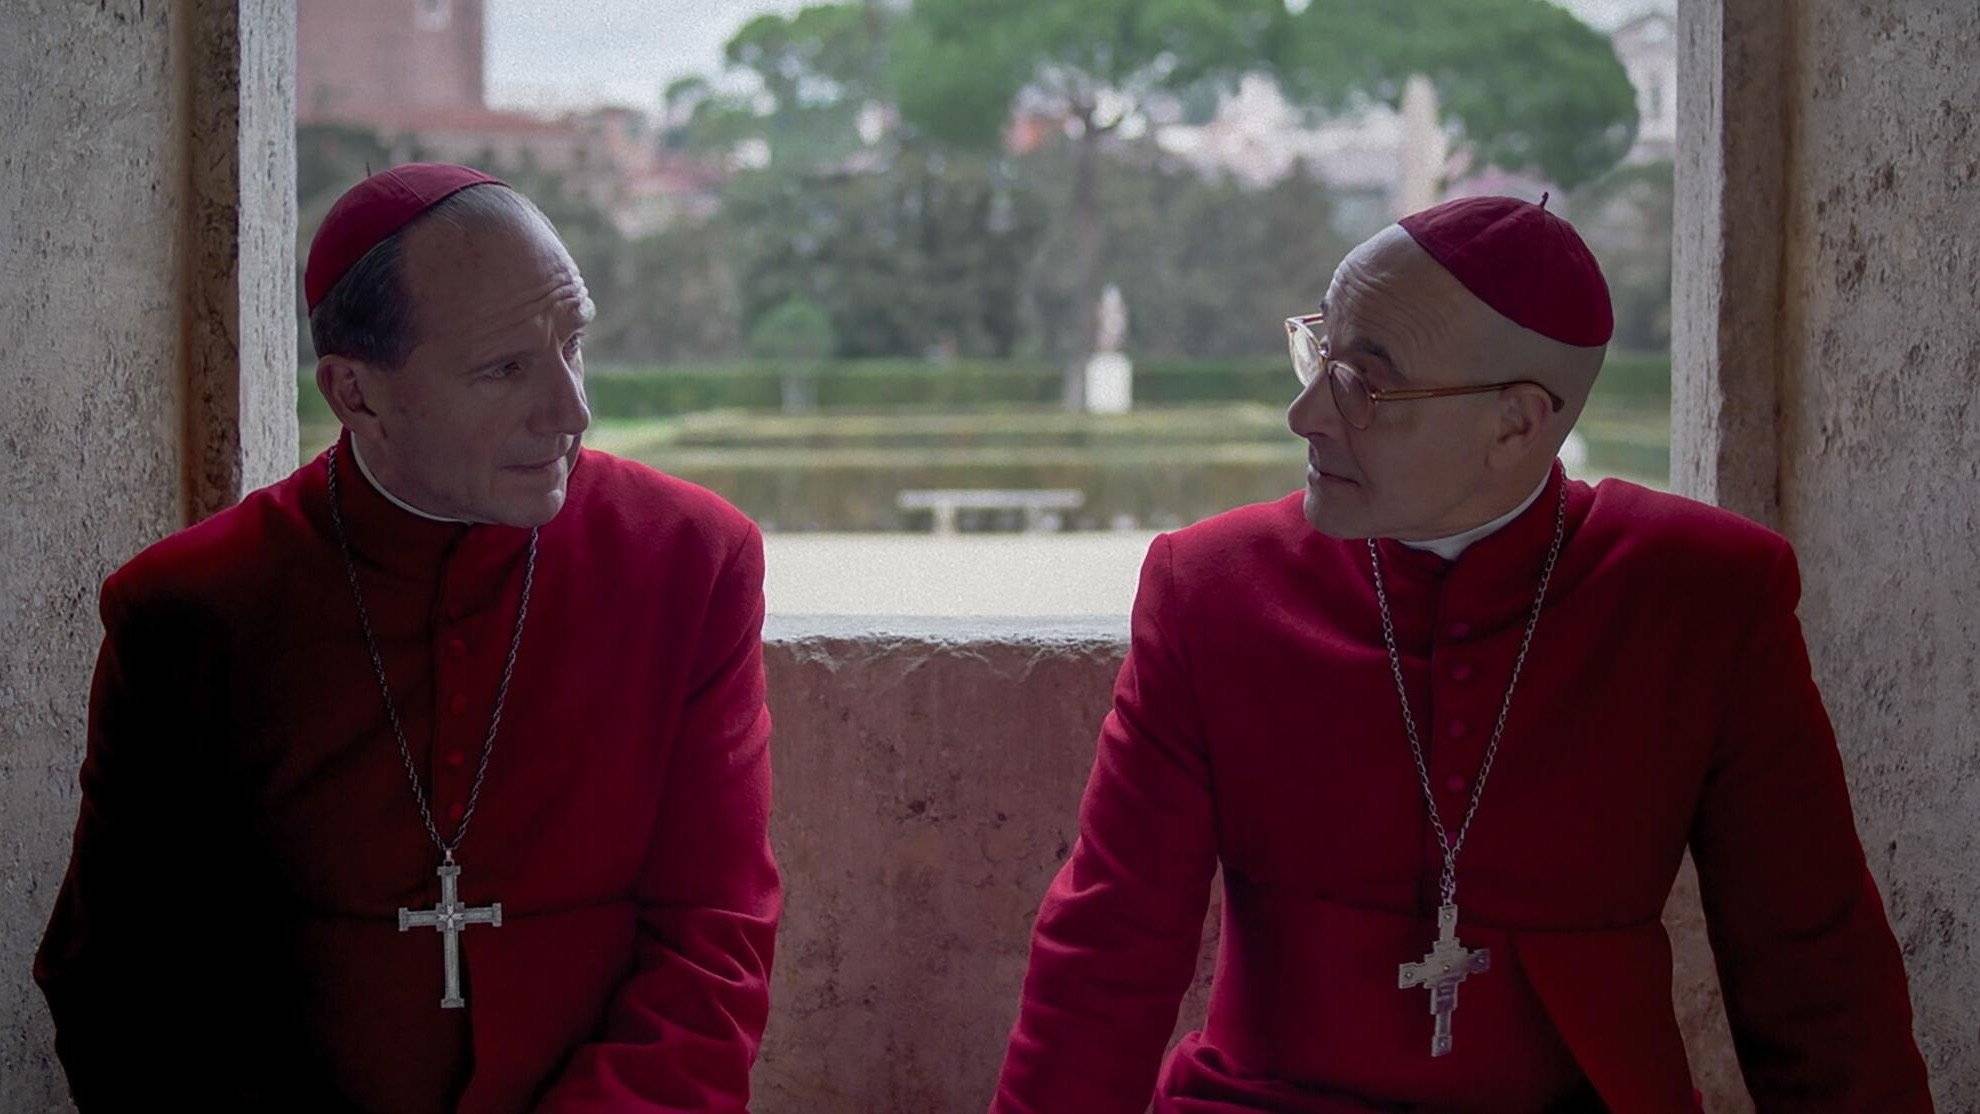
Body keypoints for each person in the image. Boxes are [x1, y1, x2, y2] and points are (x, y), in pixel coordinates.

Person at [991, 195, 1931, 1112]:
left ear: (1517, 423)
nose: (1306, 413)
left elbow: (1814, 971)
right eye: (1320, 352)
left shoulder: (1703, 597)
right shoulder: (1214, 587)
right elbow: (1110, 944)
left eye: (1364, 382)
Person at [36, 163, 781, 1112]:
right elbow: (126, 984)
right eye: (505, 368)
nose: (571, 412)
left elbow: (714, 940)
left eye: (573, 344)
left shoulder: (687, 559)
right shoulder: (193, 610)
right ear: (356, 394)